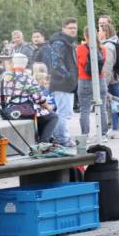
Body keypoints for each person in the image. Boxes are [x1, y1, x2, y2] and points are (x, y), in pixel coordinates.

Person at [0, 53, 59, 143]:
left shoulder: (4, 78)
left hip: (8, 112)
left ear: (13, 62)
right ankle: (43, 143)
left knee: (42, 115)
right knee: (53, 116)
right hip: (25, 112)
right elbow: (39, 99)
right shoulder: (28, 78)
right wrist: (48, 107)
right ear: (25, 64)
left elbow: (0, 99)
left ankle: (40, 142)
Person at [48, 18, 79, 146]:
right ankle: (62, 139)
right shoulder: (60, 43)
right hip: (62, 83)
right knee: (64, 113)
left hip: (65, 83)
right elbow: (56, 63)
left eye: (75, 28)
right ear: (63, 29)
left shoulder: (66, 42)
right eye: (70, 28)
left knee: (65, 112)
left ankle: (61, 138)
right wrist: (69, 76)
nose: (73, 30)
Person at [77, 27, 109, 139]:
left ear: (85, 36)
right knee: (102, 108)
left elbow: (79, 63)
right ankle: (103, 133)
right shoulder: (102, 48)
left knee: (84, 109)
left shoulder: (80, 48)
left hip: (84, 80)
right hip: (100, 80)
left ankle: (85, 134)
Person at [99, 22, 119, 139]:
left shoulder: (107, 46)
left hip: (110, 79)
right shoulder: (114, 43)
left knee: (113, 103)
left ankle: (115, 129)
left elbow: (107, 66)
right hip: (115, 77)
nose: (98, 33)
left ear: (105, 32)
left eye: (100, 31)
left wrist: (104, 83)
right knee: (118, 102)